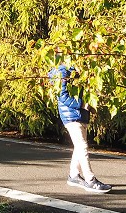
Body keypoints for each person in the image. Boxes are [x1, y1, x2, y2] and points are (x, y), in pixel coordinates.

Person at [48, 63, 112, 193]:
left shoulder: (79, 67)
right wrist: (83, 104)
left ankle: (74, 175)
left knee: (79, 146)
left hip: (81, 115)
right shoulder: (62, 71)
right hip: (71, 116)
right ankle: (90, 180)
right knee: (82, 146)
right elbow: (63, 96)